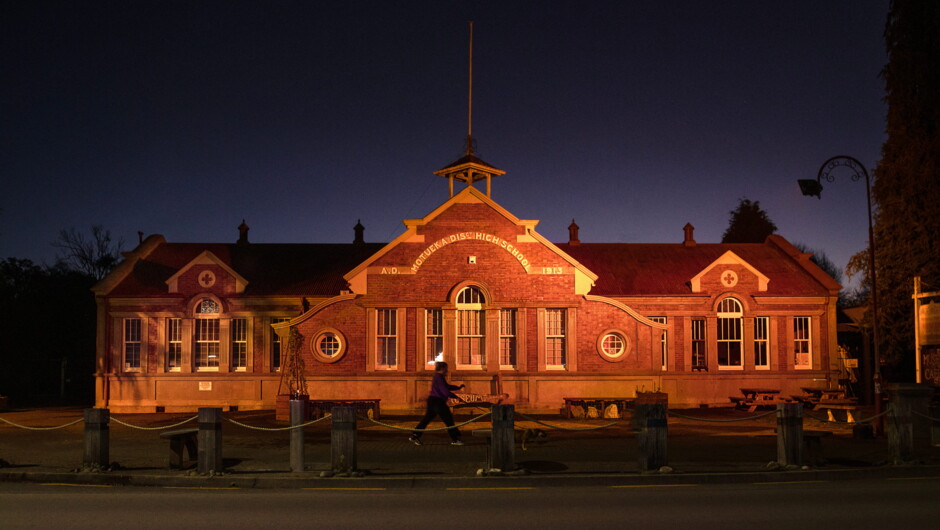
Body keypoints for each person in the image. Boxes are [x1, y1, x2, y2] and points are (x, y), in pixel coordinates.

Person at [409, 361, 466, 446]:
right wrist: (456, 397)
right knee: (448, 419)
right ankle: (455, 439)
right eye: (446, 368)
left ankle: (415, 435)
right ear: (442, 368)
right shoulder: (439, 377)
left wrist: (458, 387)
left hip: (433, 401)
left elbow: (447, 386)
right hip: (438, 402)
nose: (447, 370)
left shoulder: (438, 377)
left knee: (427, 419)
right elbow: (444, 390)